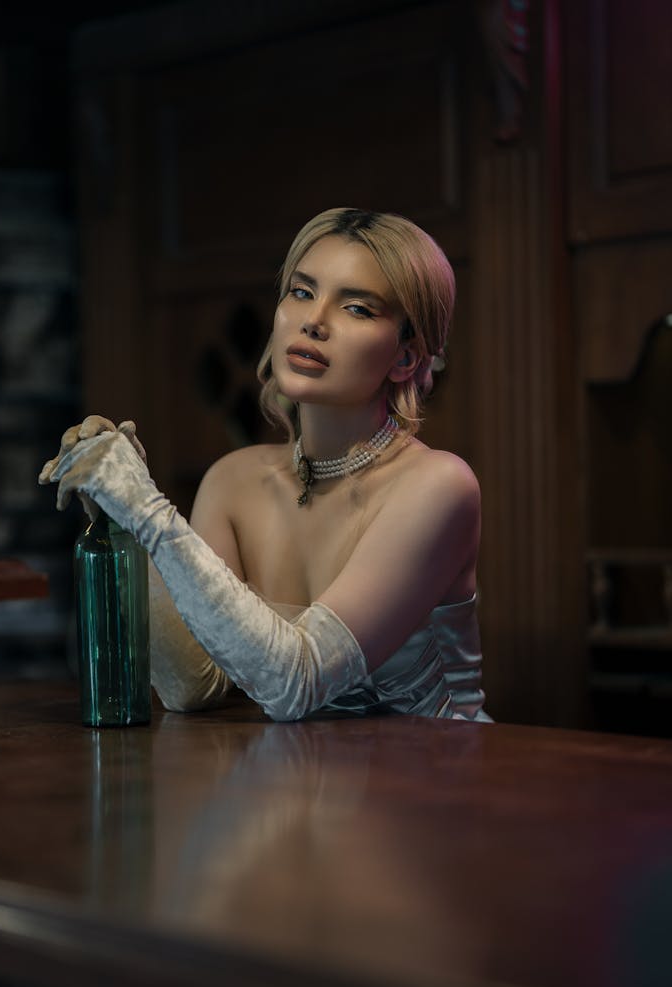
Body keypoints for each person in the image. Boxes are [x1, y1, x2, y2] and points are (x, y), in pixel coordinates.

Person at [39, 207, 491, 723]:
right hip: (302, 784)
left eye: (358, 308)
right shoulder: (234, 481)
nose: (313, 321)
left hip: (440, 789)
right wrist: (121, 516)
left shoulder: (439, 486)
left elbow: (294, 682)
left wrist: (148, 512)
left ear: (406, 358)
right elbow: (192, 684)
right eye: (301, 292)